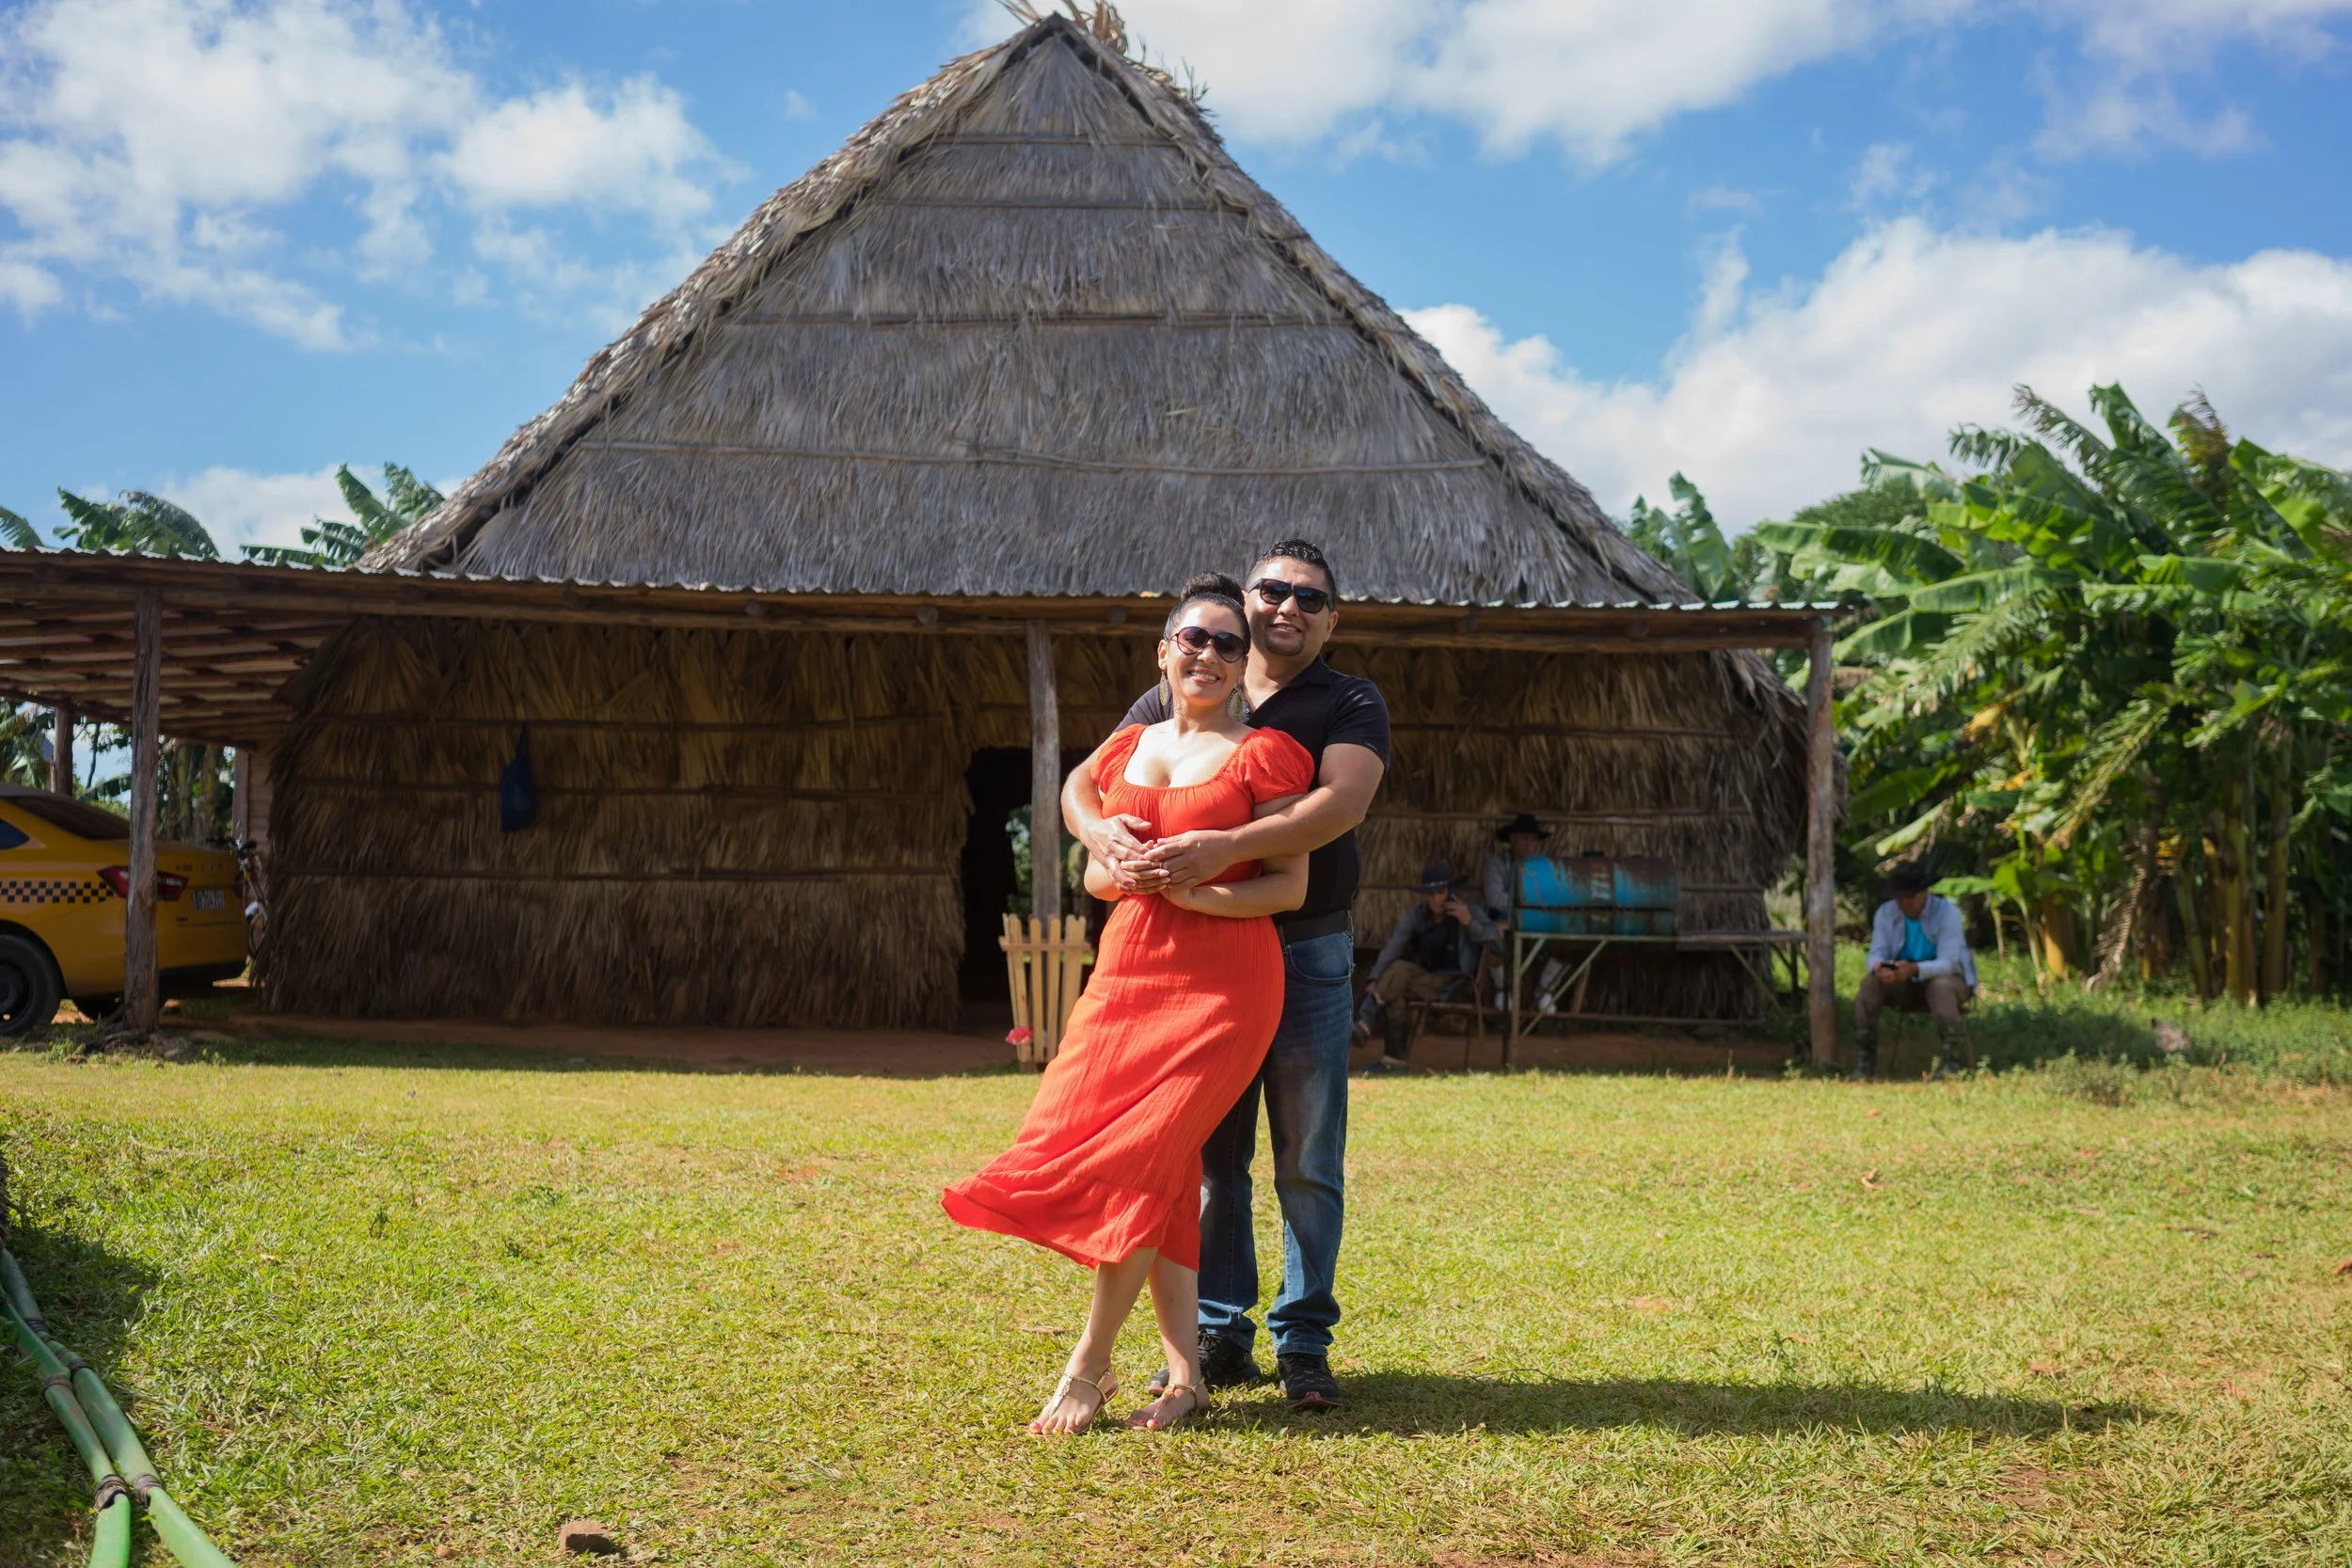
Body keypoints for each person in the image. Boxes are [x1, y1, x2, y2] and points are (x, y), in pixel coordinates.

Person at [944, 577, 1315, 1434]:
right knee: (1154, 1166)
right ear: (1164, 650)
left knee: (1146, 1157)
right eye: (1196, 638)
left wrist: (1195, 890)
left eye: (1230, 644)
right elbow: (1099, 877)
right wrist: (1127, 863)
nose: (1211, 656)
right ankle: (1187, 1376)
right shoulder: (1124, 751)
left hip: (1226, 986)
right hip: (1127, 978)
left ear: (1243, 663)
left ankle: (1090, 1365)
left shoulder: (1266, 754)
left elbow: (1288, 885)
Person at [1062, 539, 1390, 1412]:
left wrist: (1220, 854)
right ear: (1244, 603)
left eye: (1310, 598)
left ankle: (1304, 1341)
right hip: (1186, 965)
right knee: (1210, 1158)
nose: (1289, 606)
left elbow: (1341, 805)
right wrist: (1101, 844)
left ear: (1331, 618)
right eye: (1274, 590)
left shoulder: (1347, 701)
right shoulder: (1188, 682)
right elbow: (1087, 783)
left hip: (1306, 948)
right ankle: (1213, 1335)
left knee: (1308, 1154)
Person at [1353, 861, 1498, 1069]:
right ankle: (1394, 1061)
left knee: (1395, 987)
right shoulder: (1418, 915)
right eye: (1431, 893)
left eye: (1441, 892)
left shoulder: (1467, 912)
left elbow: (1499, 946)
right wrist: (1375, 977)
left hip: (1455, 982)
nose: (1436, 898)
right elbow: (1393, 947)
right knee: (1398, 975)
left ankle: (1367, 1021)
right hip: (1424, 979)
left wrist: (1469, 923)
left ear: (1450, 891)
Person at [1855, 862, 1979, 1079]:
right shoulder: (1885, 913)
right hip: (1903, 981)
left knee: (1940, 988)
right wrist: (1879, 968)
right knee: (1869, 985)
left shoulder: (1948, 914)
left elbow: (1948, 963)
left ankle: (1953, 1063)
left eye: (1909, 897)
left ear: (1924, 893)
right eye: (1899, 897)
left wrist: (1914, 969)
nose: (1904, 903)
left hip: (1949, 981)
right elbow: (1876, 952)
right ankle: (1864, 1062)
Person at [1481, 813, 1550, 922]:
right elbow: (1494, 898)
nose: (1529, 844)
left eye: (1533, 839)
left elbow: (1550, 896)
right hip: (1503, 922)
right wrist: (1528, 903)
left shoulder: (1544, 865)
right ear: (1512, 838)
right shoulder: (1498, 863)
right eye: (1524, 838)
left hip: (1538, 921)